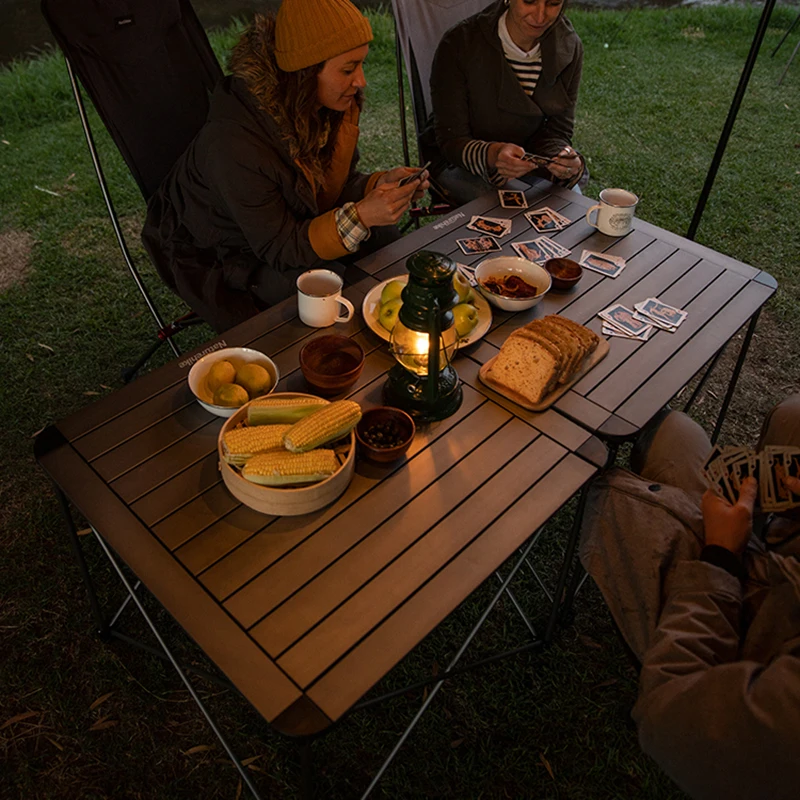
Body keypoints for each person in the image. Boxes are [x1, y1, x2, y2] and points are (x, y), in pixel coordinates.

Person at [142, 0, 428, 333]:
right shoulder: (233, 144)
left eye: (361, 65)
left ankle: (396, 323)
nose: (361, 81)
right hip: (220, 253)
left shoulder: (323, 104)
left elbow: (329, 187)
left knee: (383, 233)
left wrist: (377, 187)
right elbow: (280, 247)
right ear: (306, 72)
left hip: (281, 227)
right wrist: (362, 215)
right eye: (349, 69)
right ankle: (339, 354)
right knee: (318, 281)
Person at [579, 396, 800, 800]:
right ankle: (759, 526)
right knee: (674, 429)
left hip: (749, 619)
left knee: (611, 492)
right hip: (779, 567)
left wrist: (720, 555)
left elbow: (670, 719)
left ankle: (653, 639)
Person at [426, 0, 586, 206]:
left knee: (571, 207)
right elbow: (451, 140)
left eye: (553, 3)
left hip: (529, 159)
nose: (540, 16)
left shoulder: (568, 46)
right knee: (510, 210)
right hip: (460, 161)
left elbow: (558, 130)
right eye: (529, 1)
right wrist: (493, 155)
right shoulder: (460, 43)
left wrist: (561, 157)